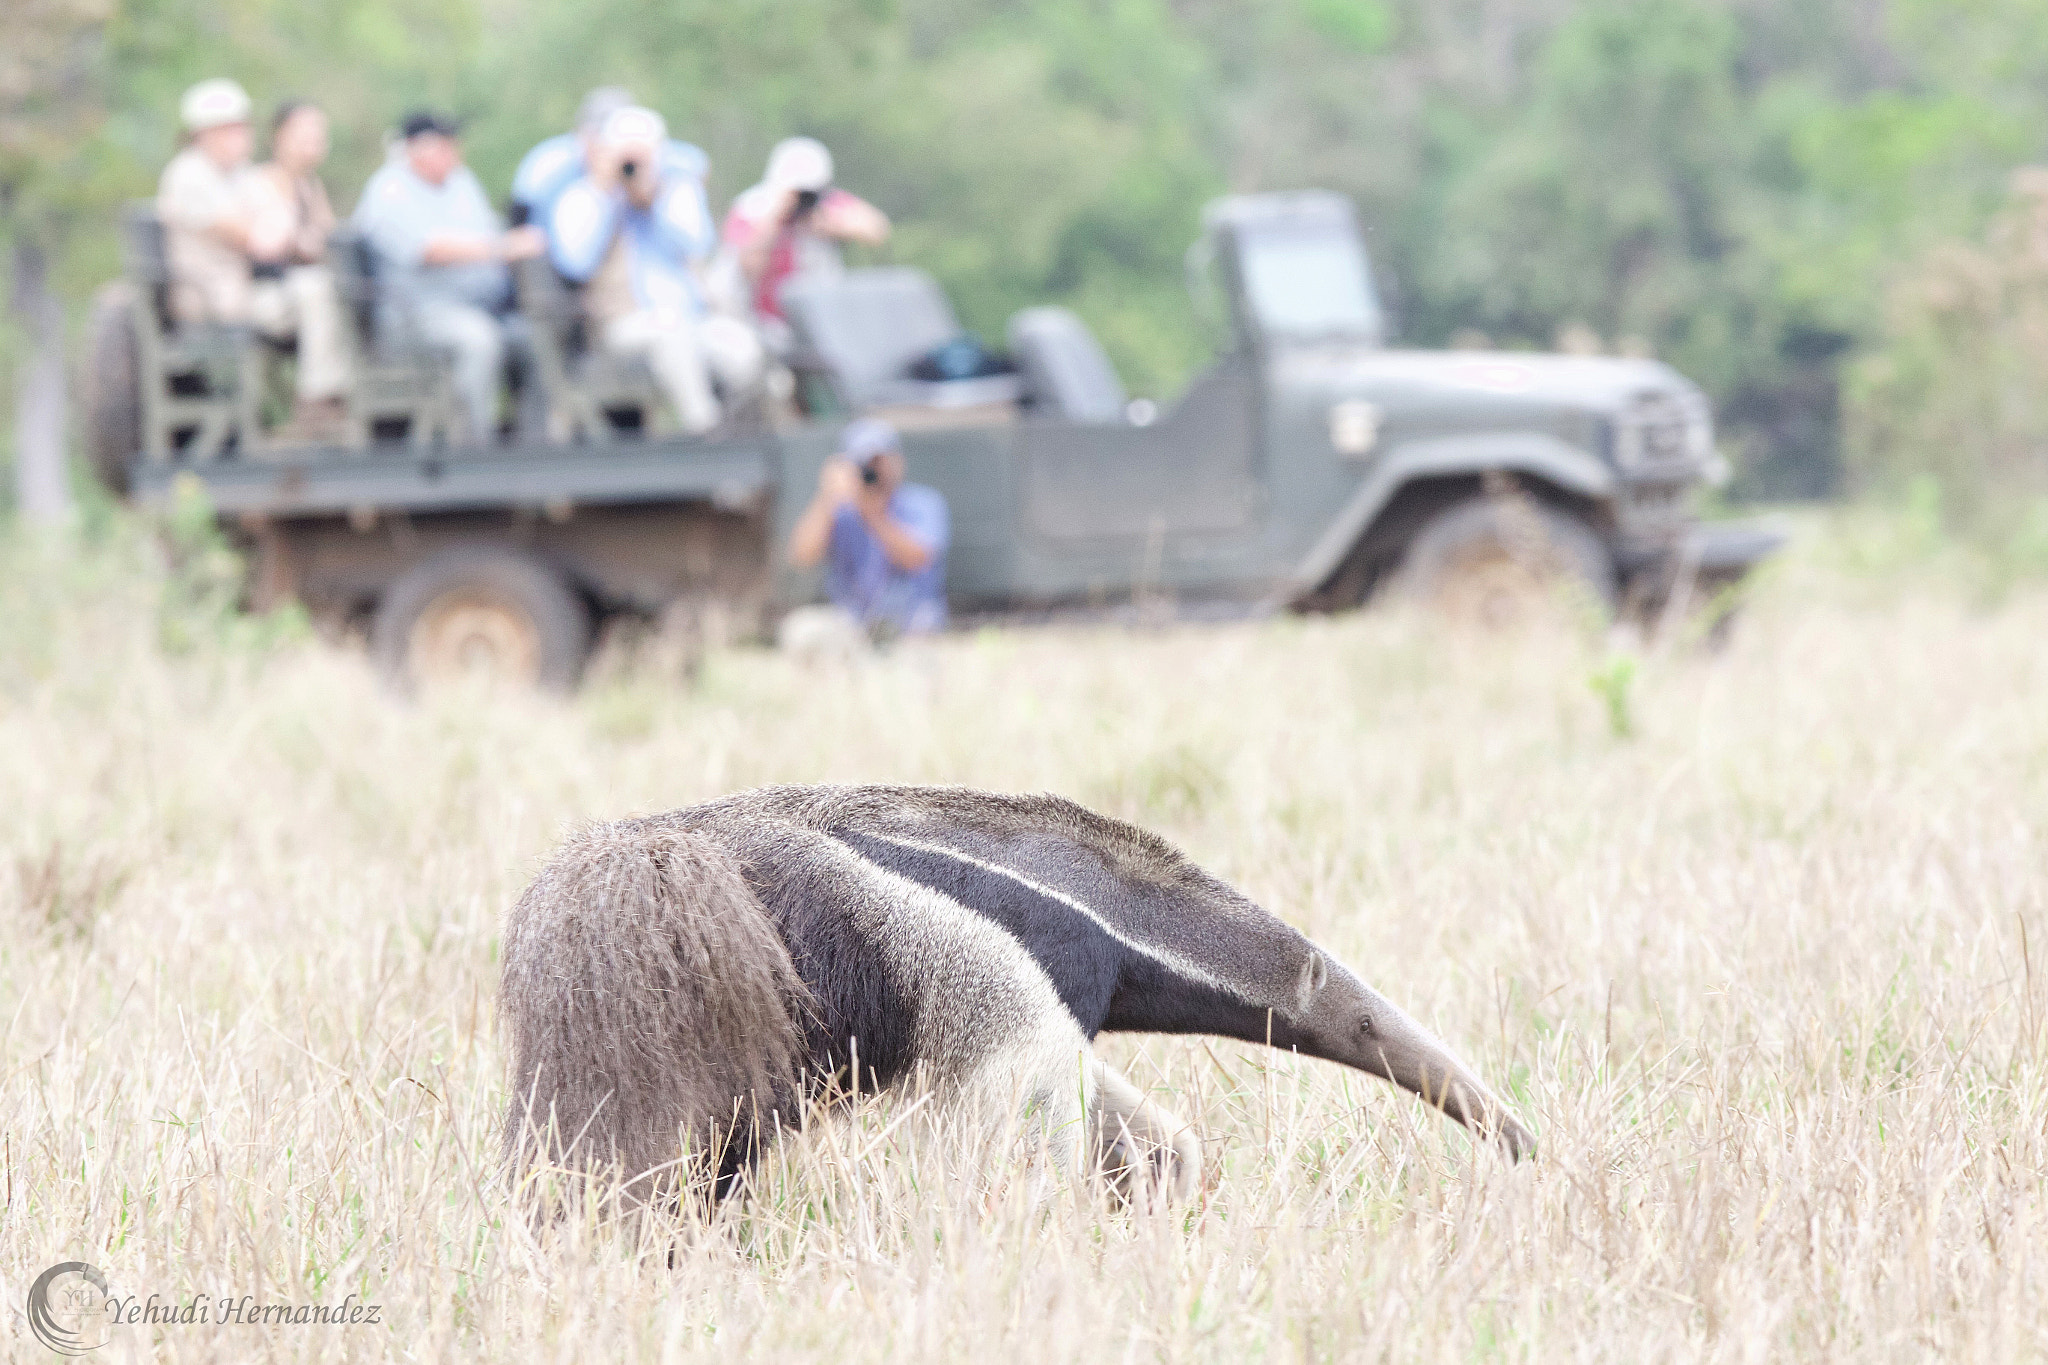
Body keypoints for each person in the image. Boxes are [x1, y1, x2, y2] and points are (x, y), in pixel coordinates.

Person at [548, 106, 762, 434]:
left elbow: (697, 244)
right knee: (670, 329)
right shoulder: (582, 198)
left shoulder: (675, 190)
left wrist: (654, 196)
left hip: (694, 319)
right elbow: (575, 264)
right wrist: (609, 196)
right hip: (621, 325)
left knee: (742, 346)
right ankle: (705, 433)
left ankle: (743, 434)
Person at [156, 80, 351, 437]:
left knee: (329, 287)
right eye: (234, 127)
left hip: (244, 288)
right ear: (206, 133)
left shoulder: (239, 174)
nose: (244, 134)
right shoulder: (189, 175)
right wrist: (285, 231)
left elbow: (283, 228)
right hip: (213, 297)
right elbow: (259, 238)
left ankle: (333, 395)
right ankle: (318, 400)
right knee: (316, 291)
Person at [351, 111, 546, 442]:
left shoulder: (461, 182)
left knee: (533, 339)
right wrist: (503, 247)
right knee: (478, 340)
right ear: (416, 150)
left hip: (477, 305)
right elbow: (430, 250)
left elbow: (490, 230)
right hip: (415, 315)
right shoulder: (389, 191)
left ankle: (532, 444)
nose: (452, 153)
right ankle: (473, 444)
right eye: (442, 146)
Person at [718, 137, 890, 344]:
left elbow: (877, 229)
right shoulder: (752, 207)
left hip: (819, 315)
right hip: (760, 321)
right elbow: (747, 265)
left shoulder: (824, 205)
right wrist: (777, 219)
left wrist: (832, 225)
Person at [785, 417, 949, 634]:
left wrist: (872, 512)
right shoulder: (840, 511)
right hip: (852, 621)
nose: (873, 470)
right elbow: (802, 557)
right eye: (865, 463)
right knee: (802, 631)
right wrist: (826, 497)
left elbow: (917, 558)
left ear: (897, 461)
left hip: (913, 620)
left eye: (879, 460)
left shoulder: (924, 503)